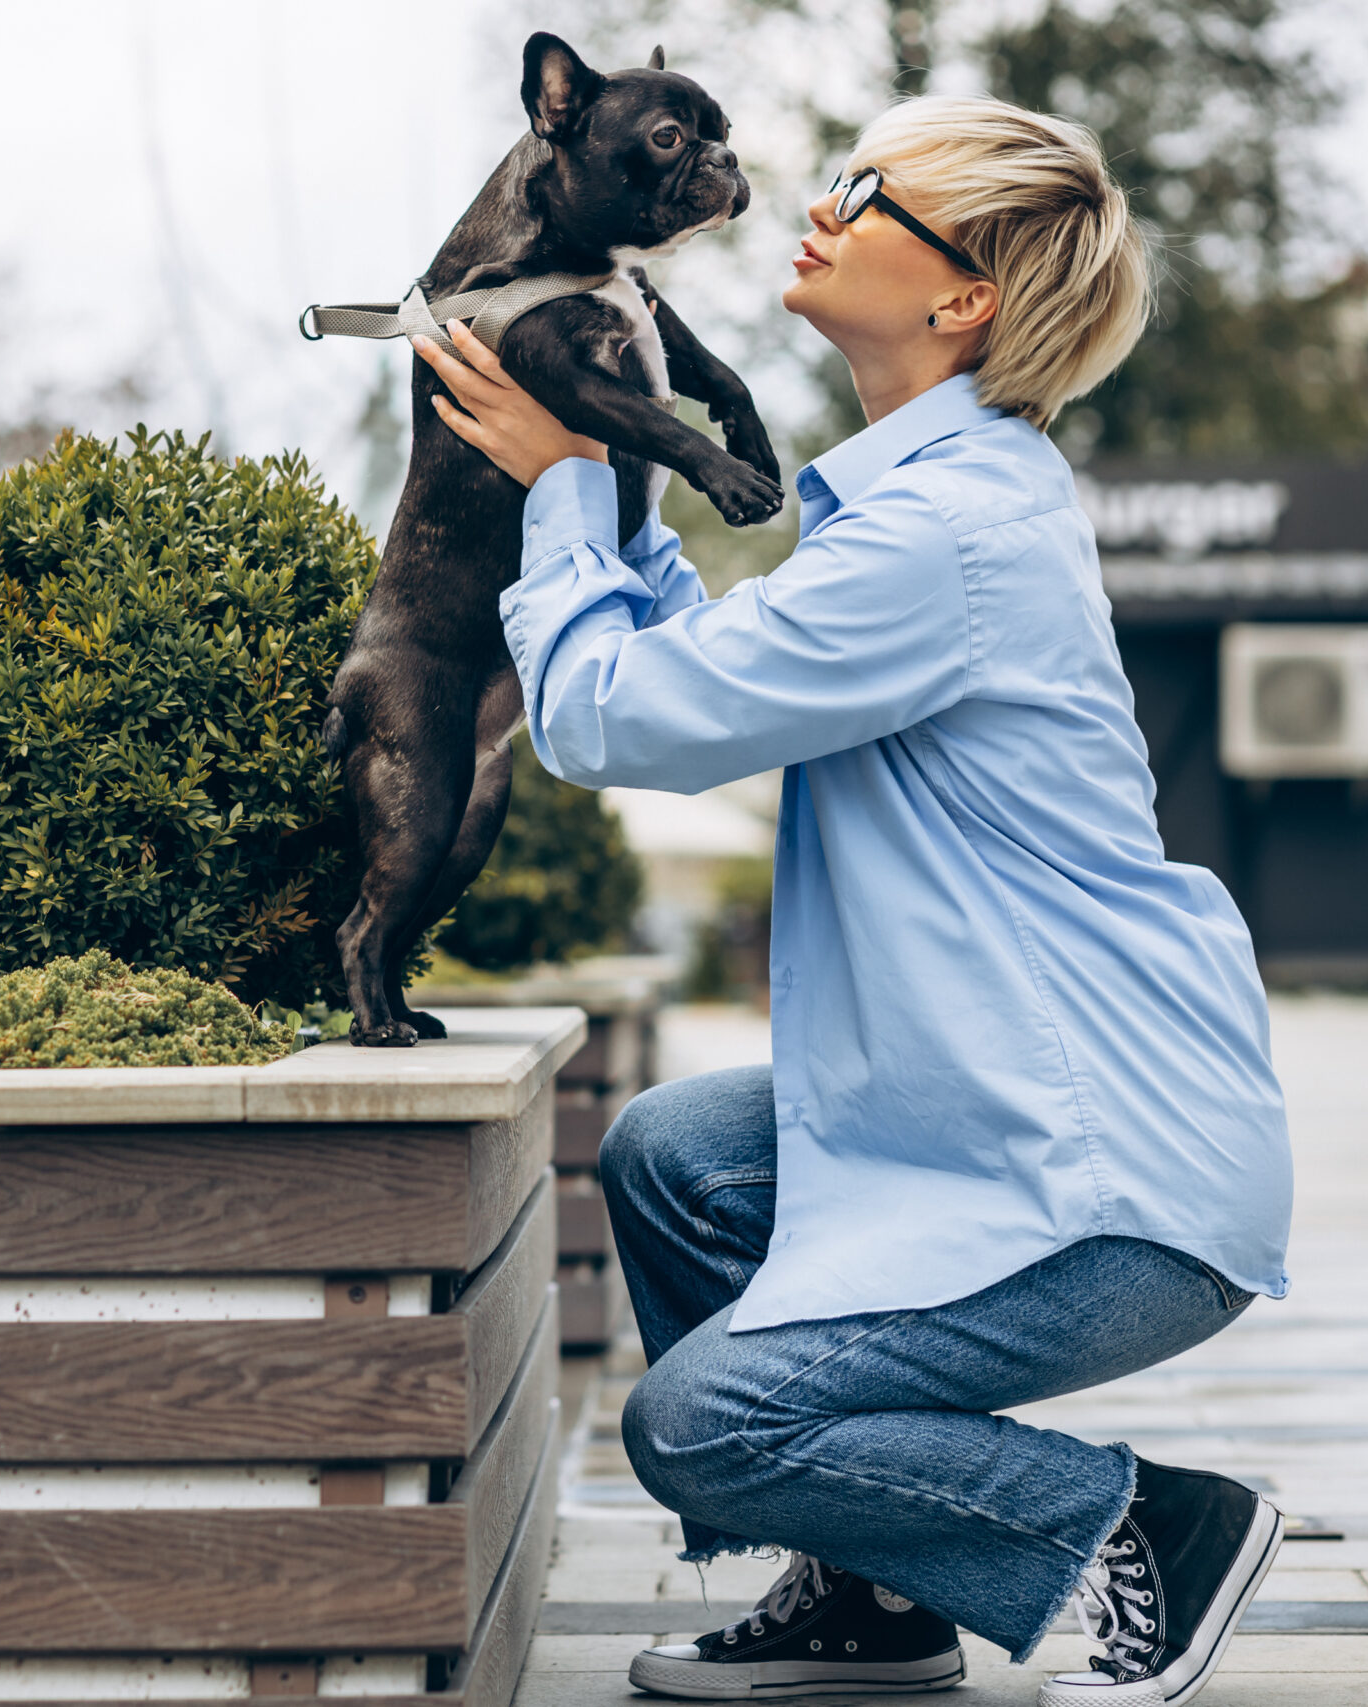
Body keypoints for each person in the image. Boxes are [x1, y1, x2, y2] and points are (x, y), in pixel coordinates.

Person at [414, 95, 1292, 1705]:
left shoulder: (946, 537)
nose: (821, 202)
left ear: (964, 299)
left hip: (1113, 1189)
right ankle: (872, 1602)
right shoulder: (920, 505)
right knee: (677, 1155)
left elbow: (615, 715)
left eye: (874, 193)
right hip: (1018, 1115)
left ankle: (1142, 1533)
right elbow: (700, 663)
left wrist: (557, 485)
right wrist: (597, 468)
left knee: (702, 1428)